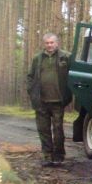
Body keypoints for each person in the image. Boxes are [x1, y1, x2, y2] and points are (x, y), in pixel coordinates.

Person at [27, 33, 72, 167]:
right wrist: (32, 92)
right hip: (41, 101)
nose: (49, 45)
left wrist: (69, 94)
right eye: (47, 43)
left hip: (58, 101)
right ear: (44, 44)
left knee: (58, 130)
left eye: (52, 42)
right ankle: (47, 156)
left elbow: (73, 75)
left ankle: (59, 156)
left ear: (57, 43)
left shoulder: (66, 57)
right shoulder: (37, 58)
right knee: (43, 129)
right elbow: (30, 76)